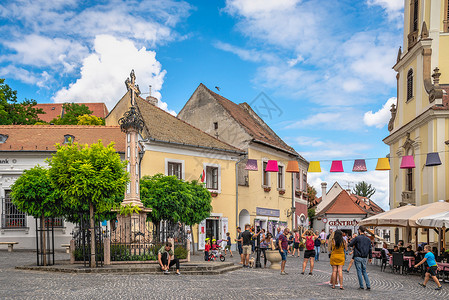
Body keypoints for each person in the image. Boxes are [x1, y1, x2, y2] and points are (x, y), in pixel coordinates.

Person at [348, 225, 372, 290]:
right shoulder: (368, 239)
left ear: (359, 230)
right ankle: (368, 285)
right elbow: (370, 249)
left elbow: (350, 244)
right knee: (364, 271)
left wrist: (351, 240)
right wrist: (370, 257)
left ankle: (361, 286)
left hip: (358, 256)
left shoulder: (357, 238)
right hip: (365, 257)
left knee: (359, 271)